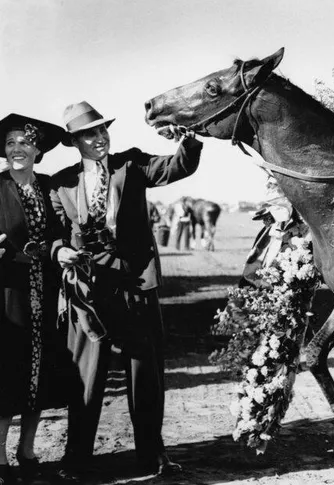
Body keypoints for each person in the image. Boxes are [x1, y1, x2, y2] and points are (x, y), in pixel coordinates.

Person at [50, 101, 203, 478]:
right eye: (90, 134)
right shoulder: (62, 183)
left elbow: (176, 167)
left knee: (144, 374)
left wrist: (189, 141)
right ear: (75, 141)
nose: (99, 138)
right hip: (88, 293)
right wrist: (60, 250)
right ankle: (78, 460)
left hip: (135, 284)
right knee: (85, 378)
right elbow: (54, 235)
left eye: (103, 130)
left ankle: (152, 457)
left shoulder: (131, 164)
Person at [0, 114, 72, 484]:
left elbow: (61, 230)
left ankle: (27, 450)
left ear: (37, 149)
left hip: (45, 288)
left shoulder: (48, 187)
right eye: (11, 143)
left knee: (39, 370)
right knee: (6, 369)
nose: (17, 149)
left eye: (25, 143)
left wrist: (60, 251)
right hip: (6, 292)